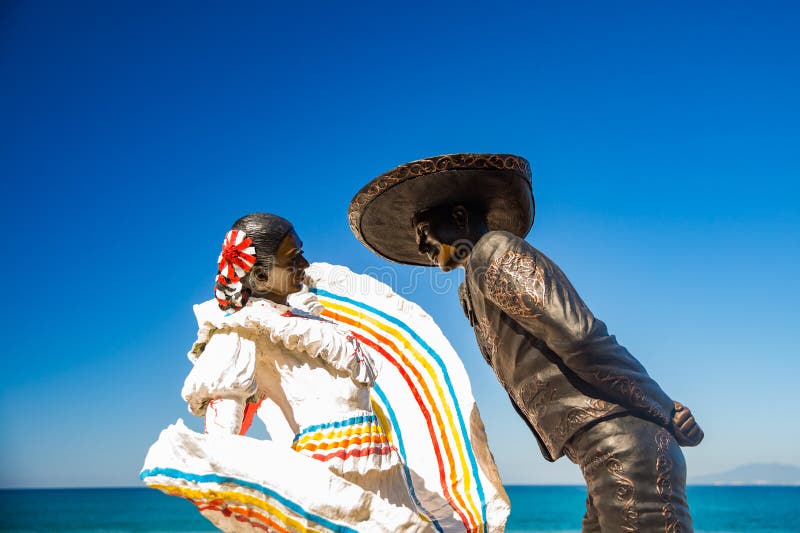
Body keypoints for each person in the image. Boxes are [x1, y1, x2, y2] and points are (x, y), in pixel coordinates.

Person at [348, 153, 704, 532]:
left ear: (459, 218)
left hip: (623, 446)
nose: (421, 245)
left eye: (423, 230)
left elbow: (580, 338)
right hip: (603, 451)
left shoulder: (493, 250)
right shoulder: (473, 285)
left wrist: (665, 409)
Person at [182, 212, 415, 509]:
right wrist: (222, 485)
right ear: (261, 276)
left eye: (301, 253)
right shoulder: (241, 329)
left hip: (377, 467)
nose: (304, 265)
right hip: (328, 477)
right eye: (293, 258)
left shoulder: (304, 317)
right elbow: (223, 424)